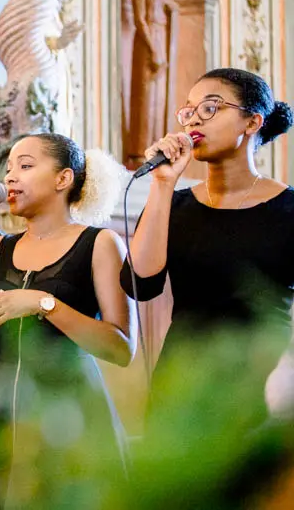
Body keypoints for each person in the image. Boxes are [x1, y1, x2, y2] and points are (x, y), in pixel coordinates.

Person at [120, 68, 294, 505]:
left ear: (253, 122)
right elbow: (140, 284)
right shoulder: (175, 204)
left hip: (262, 383)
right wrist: (163, 184)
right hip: (183, 381)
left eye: (211, 108)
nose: (193, 121)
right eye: (189, 111)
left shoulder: (289, 208)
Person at [0, 133, 135, 509]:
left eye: (26, 165)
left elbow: (121, 347)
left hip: (70, 405)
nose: (11, 177)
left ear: (63, 179)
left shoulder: (100, 243)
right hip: (3, 409)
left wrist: (43, 303)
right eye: (9, 168)